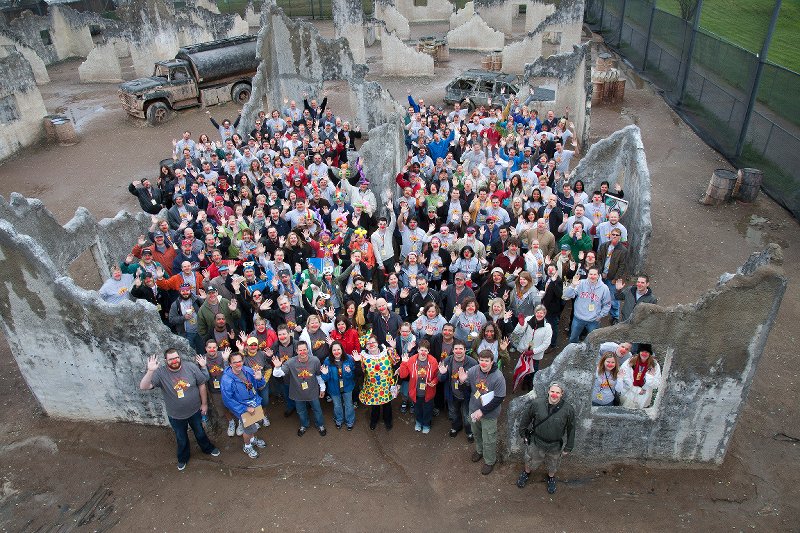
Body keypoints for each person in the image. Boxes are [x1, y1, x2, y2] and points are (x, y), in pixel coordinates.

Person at [139, 349, 220, 470]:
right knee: (181, 437)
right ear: (166, 360)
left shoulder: (191, 367)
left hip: (195, 411)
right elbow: (144, 386)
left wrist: (204, 404)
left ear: (179, 357)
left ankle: (207, 448)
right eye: (171, 359)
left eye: (176, 357)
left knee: (200, 432)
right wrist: (150, 371)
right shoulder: (160, 373)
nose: (174, 361)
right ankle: (183, 458)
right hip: (175, 415)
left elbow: (201, 384)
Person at [516, 381, 576, 494]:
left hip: (555, 445)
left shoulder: (568, 409)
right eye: (552, 391)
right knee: (530, 460)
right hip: (536, 441)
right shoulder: (537, 404)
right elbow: (526, 418)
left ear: (562, 394)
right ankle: (526, 473)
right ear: (548, 391)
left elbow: (571, 428)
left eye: (557, 392)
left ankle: (551, 477)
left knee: (553, 463)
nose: (554, 395)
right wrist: (523, 433)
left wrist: (569, 446)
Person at [458, 350, 506, 475]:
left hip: (489, 415)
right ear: (478, 360)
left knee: (488, 438)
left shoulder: (498, 377)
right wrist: (461, 382)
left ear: (492, 362)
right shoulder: (473, 370)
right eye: (481, 360)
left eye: (486, 361)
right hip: (474, 409)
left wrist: (482, 411)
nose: (483, 363)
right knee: (476, 433)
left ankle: (490, 461)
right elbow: (465, 390)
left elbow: (499, 398)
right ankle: (479, 451)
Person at [271, 341, 327, 436]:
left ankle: (320, 425)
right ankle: (304, 425)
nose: (302, 352)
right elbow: (278, 374)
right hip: (297, 392)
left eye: (304, 350)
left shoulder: (315, 360)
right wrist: (277, 367)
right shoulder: (290, 362)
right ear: (296, 351)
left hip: (312, 391)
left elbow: (318, 375)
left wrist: (322, 388)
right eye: (300, 350)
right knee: (301, 411)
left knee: (317, 409)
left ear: (308, 350)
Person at [220, 351, 268, 458]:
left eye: (240, 361)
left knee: (253, 425)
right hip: (243, 407)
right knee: (248, 429)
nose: (238, 364)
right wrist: (245, 408)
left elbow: (259, 385)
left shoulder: (248, 370)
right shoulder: (226, 380)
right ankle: (247, 446)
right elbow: (227, 400)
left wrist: (260, 378)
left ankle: (252, 439)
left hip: (253, 402)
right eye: (235, 362)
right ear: (230, 364)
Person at [356, 334, 398, 431]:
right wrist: (357, 362)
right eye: (368, 343)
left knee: (387, 404)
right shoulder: (363, 357)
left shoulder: (388, 352)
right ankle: (374, 420)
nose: (371, 344)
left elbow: (396, 363)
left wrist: (393, 348)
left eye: (373, 342)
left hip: (386, 385)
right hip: (372, 386)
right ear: (366, 346)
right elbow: (359, 374)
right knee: (375, 405)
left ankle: (388, 420)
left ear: (377, 343)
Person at [437, 339, 477, 441]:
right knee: (454, 413)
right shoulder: (447, 360)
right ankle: (456, 426)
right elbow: (441, 379)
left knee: (467, 415)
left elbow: (476, 382)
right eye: (456, 349)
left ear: (465, 350)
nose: (458, 351)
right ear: (453, 350)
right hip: (452, 394)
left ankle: (469, 431)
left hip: (467, 395)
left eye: (461, 349)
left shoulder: (472, 362)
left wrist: (465, 381)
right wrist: (442, 374)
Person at [398, 339, 439, 434]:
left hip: (428, 392)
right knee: (417, 409)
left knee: (428, 409)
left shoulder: (433, 361)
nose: (423, 352)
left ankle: (426, 424)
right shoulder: (412, 360)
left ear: (428, 351)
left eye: (425, 350)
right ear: (418, 350)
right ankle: (418, 422)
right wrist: (403, 363)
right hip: (415, 391)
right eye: (421, 350)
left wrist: (434, 381)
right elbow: (403, 375)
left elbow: (437, 375)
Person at [563, 267, 611, 343]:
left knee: (593, 341)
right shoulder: (581, 283)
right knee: (573, 339)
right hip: (578, 318)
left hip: (593, 320)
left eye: (595, 274)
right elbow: (567, 295)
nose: (592, 276)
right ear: (587, 275)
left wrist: (600, 315)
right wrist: (572, 285)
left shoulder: (604, 288)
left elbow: (607, 304)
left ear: (598, 276)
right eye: (591, 274)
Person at [510, 305, 552, 391]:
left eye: (541, 313)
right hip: (525, 350)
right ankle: (525, 380)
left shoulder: (547, 327)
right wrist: (521, 324)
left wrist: (533, 351)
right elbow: (518, 332)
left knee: (534, 369)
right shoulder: (528, 319)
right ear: (535, 312)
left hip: (535, 354)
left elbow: (546, 344)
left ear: (544, 314)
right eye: (538, 312)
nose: (539, 314)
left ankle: (531, 382)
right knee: (524, 367)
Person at [321, 341, 358, 430]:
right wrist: (325, 374)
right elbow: (325, 378)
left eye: (338, 349)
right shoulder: (327, 361)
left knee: (348, 404)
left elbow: (353, 375)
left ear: (342, 350)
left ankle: (350, 421)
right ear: (331, 351)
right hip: (334, 388)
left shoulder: (349, 358)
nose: (336, 352)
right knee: (337, 405)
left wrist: (349, 372)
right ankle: (339, 420)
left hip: (347, 386)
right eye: (334, 350)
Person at [596, 228, 628, 324]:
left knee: (613, 298)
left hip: (612, 278)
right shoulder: (604, 246)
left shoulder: (623, 250)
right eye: (613, 234)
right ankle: (598, 313)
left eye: (616, 235)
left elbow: (622, 266)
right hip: (601, 276)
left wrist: (616, 278)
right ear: (609, 235)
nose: (614, 236)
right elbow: (599, 259)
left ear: (620, 237)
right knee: (598, 295)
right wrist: (600, 272)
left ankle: (615, 317)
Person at [619, 344, 662, 409]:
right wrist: (636, 389)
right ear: (639, 352)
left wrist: (649, 377)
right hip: (628, 396)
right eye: (642, 351)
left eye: (647, 352)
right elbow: (624, 378)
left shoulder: (654, 365)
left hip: (643, 399)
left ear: (650, 353)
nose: (644, 354)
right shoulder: (630, 361)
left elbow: (656, 385)